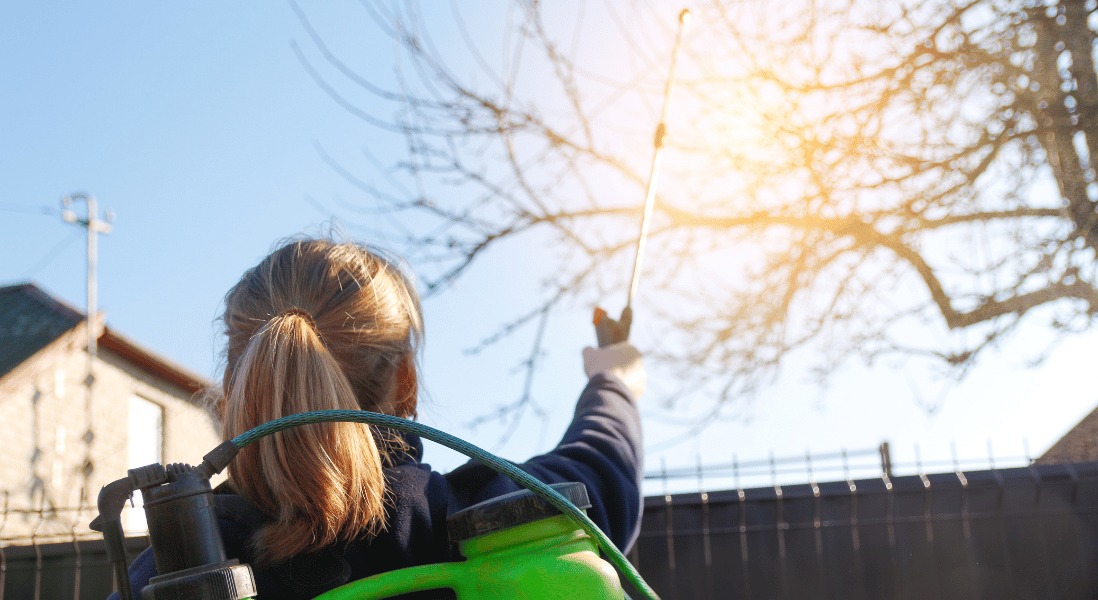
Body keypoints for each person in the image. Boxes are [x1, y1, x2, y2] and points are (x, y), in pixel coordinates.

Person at [110, 238, 645, 599]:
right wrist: (614, 378)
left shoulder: (165, 579)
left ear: (234, 391)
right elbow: (602, 466)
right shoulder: (493, 528)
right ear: (405, 383)